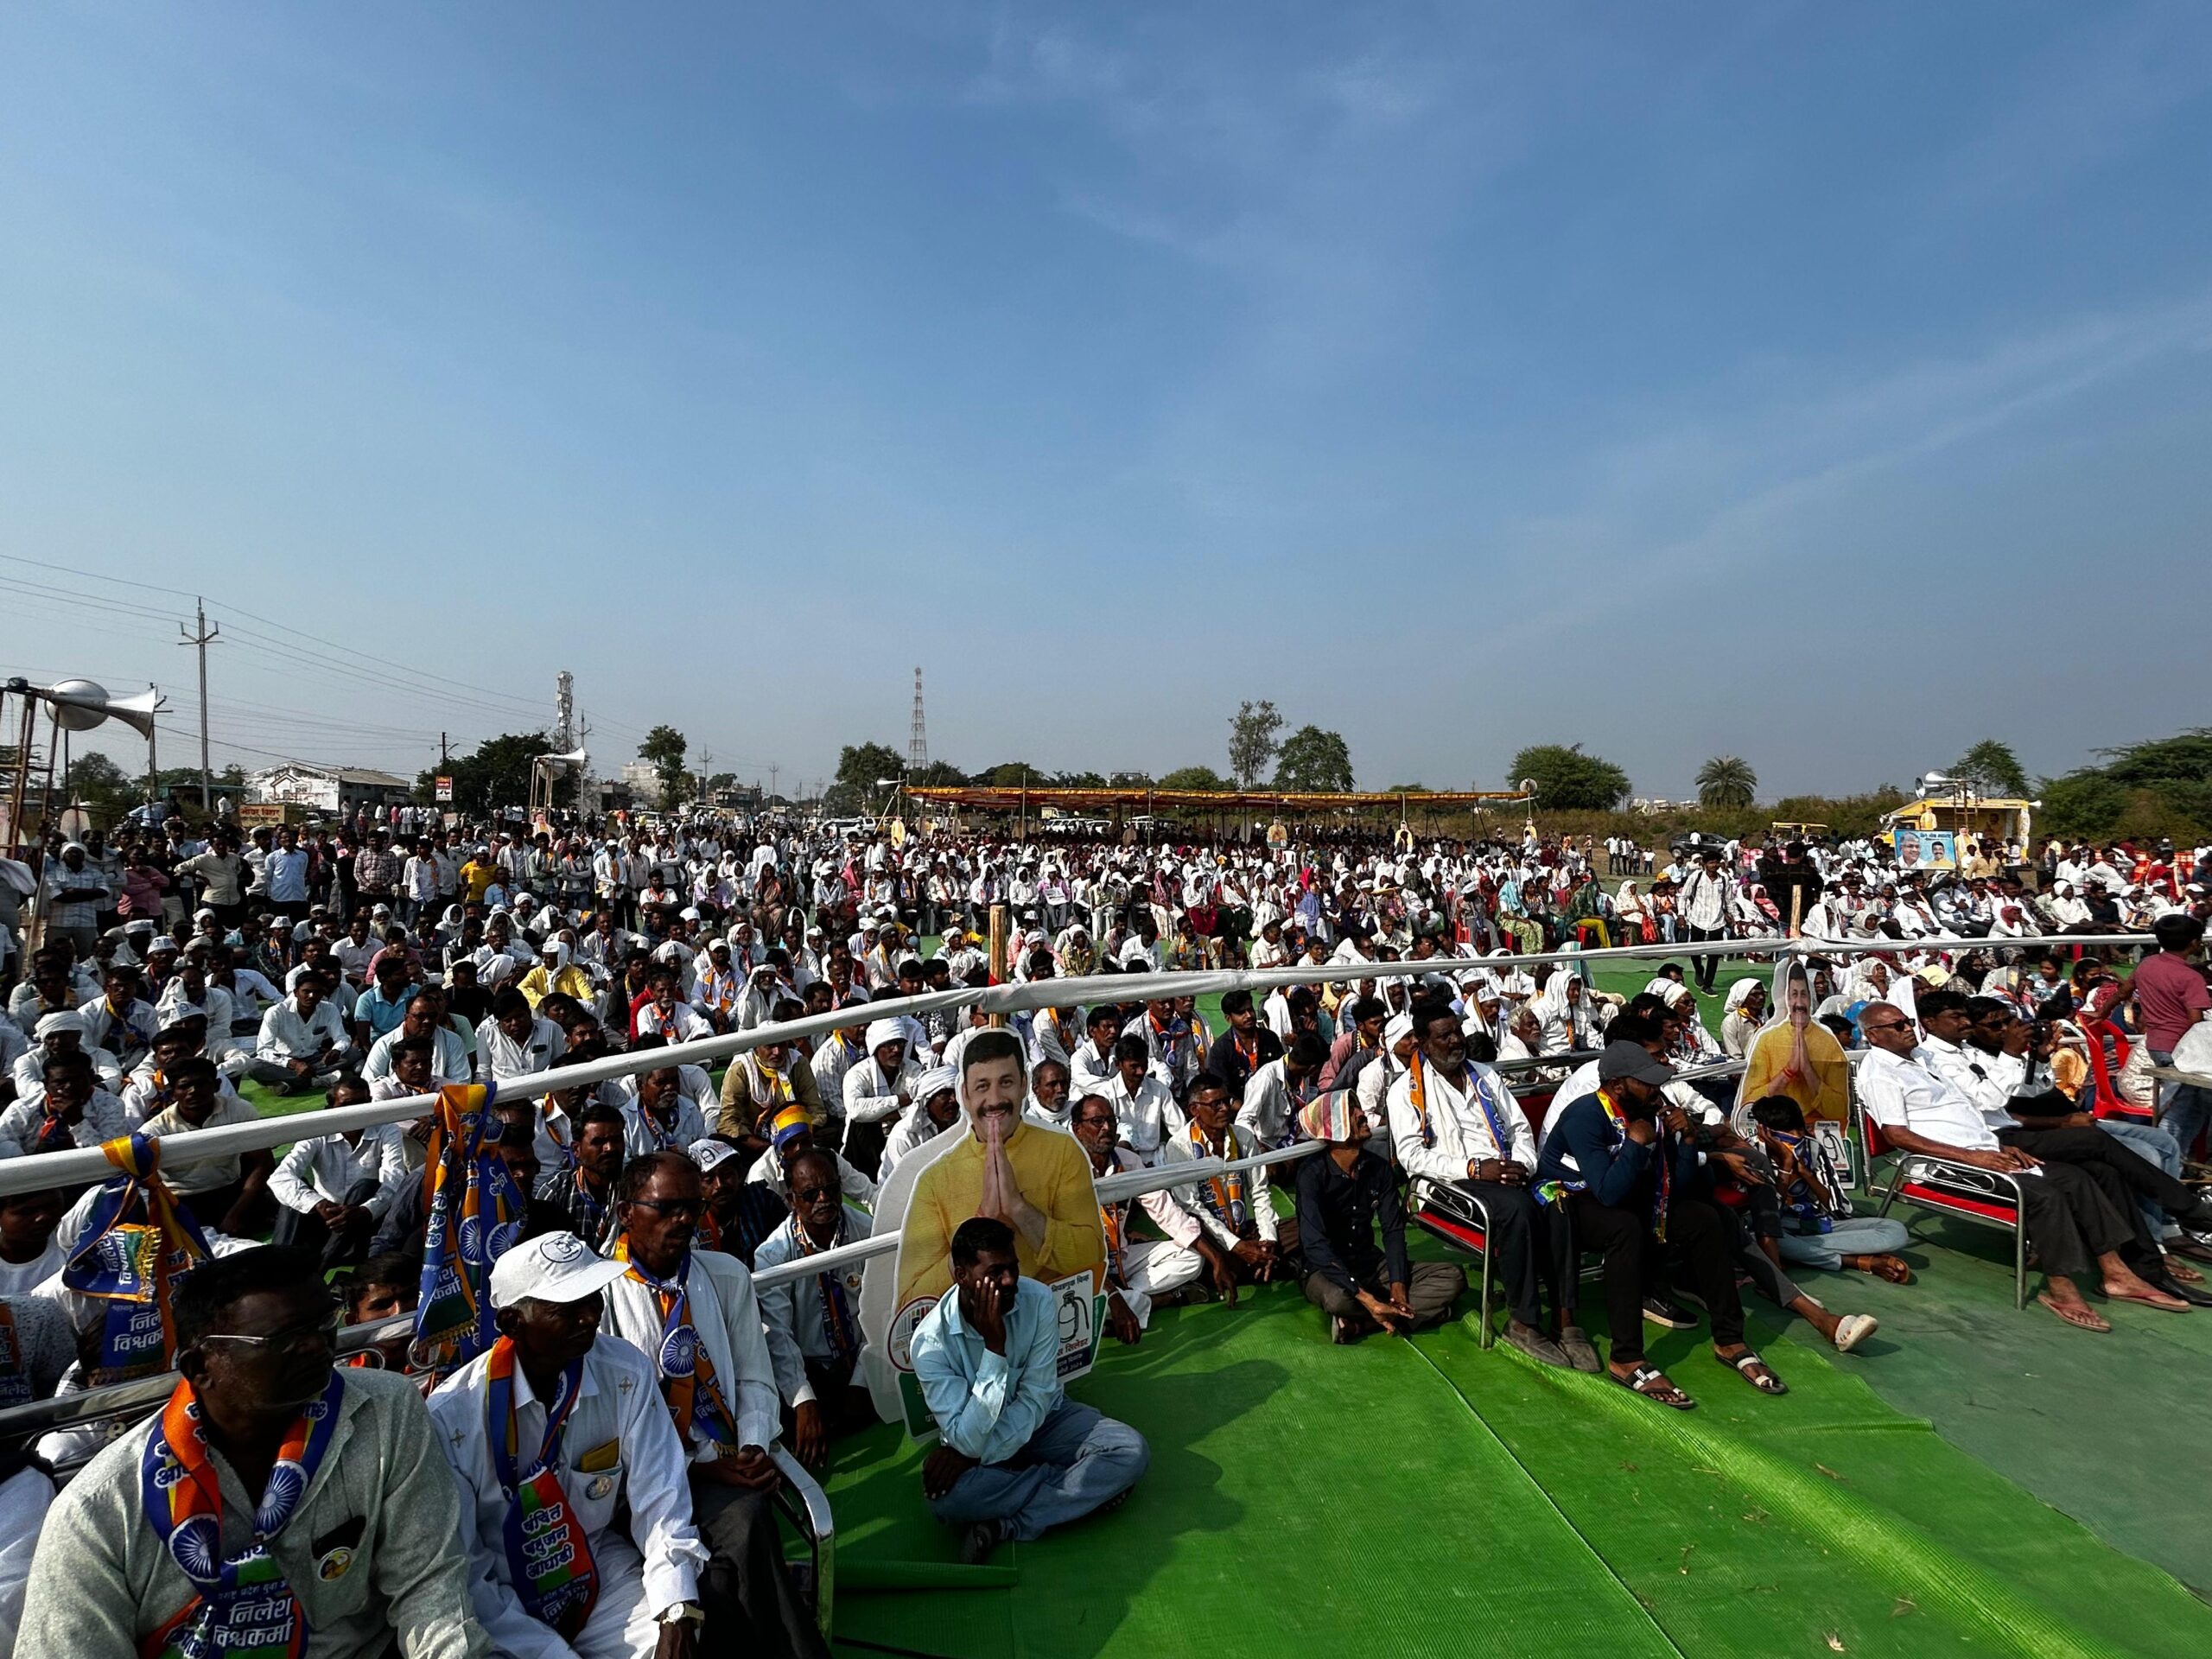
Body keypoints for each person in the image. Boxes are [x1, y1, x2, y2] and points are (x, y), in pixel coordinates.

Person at [20, 1245, 484, 1657]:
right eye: (285, 1340)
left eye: (324, 1326)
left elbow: (429, 1586)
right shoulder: (101, 1509)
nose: (319, 1348)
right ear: (201, 1367)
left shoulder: (386, 1409)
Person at [430, 1231, 708, 1659]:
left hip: (592, 1570)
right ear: (511, 1323)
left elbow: (661, 1498)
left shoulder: (625, 1371)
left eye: (593, 1297)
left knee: (667, 1643)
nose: (589, 1316)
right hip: (502, 1596)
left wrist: (677, 1606)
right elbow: (467, 1569)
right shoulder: (451, 1416)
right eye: (566, 1307)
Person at [601, 1154, 827, 1659]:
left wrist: (749, 1447)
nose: (685, 1219)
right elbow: (609, 1432)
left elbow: (753, 1377)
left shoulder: (725, 1275)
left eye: (693, 1206)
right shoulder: (598, 1298)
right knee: (740, 1539)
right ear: (625, 1213)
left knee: (734, 1551)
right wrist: (704, 1470)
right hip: (643, 1484)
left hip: (726, 1461)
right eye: (668, 1207)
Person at [1856, 1002, 2195, 1331]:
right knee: (2044, 1193)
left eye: (1907, 1022)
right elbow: (1897, 1135)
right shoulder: (1880, 1071)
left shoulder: (1919, 1060)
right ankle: (2062, 1287)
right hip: (1947, 1165)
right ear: (1873, 1035)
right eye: (1897, 1025)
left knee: (2078, 1176)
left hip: (1988, 1149)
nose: (1908, 1029)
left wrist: (2000, 1145)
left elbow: (1973, 1113)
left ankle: (2116, 1273)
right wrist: (1975, 1157)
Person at [1536, 1041, 1787, 1408]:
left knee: (1705, 1216)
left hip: (1622, 1196)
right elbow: (1607, 1192)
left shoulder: (1652, 1110)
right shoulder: (1585, 1115)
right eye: (1648, 1082)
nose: (1658, 1089)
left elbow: (1680, 1184)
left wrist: (1686, 1139)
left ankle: (1730, 1338)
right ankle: (1626, 1358)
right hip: (1572, 1200)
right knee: (1625, 1227)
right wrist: (1637, 1143)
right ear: (1619, 1085)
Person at [912, 1216, 1149, 1566]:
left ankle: (1003, 1524)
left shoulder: (1037, 1300)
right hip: (981, 1441)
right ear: (962, 1276)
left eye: (1013, 1268)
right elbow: (966, 1436)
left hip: (1043, 1423)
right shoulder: (930, 1344)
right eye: (994, 1273)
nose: (1009, 1281)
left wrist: (976, 1457)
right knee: (946, 1500)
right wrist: (995, 1349)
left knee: (1129, 1450)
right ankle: (1076, 1489)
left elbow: (1036, 1399)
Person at [1388, 1002, 1580, 1364]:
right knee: (1518, 1209)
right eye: (1444, 1036)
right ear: (1425, 1045)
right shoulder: (1405, 1092)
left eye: (1457, 1031)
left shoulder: (1485, 1076)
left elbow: (1520, 1129)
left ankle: (1565, 1318)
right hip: (1452, 1185)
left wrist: (1520, 1164)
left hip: (1504, 1172)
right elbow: (1413, 1158)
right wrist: (1475, 1168)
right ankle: (1523, 1321)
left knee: (1558, 1200)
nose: (1456, 1040)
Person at [893, 1030, 1104, 1318]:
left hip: (1051, 1321)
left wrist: (1020, 1209)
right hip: (970, 1338)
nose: (994, 1100)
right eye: (982, 1086)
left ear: (1023, 1086)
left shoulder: (1063, 1151)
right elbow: (911, 1303)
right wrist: (981, 1222)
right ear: (965, 1095)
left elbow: (1091, 1259)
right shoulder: (935, 1180)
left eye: (1005, 1083)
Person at [1295, 1092, 1464, 1343]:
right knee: (1337, 1299)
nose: (1362, 1114)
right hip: (1326, 1269)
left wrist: (1398, 1285)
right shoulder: (1311, 1174)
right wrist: (1364, 1296)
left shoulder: (1378, 1168)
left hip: (1370, 1263)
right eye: (1350, 1111)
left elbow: (1393, 1230)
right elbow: (1315, 1246)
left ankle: (1362, 1324)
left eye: (1358, 1108)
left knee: (1452, 1277)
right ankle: (1402, 1313)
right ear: (1334, 1128)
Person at [751, 1147, 878, 1466]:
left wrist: (862, 1381)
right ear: (792, 1200)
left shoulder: (870, 1232)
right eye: (810, 1193)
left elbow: (881, 1311)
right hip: (812, 1370)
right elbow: (777, 1334)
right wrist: (803, 1400)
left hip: (866, 1356)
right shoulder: (772, 1255)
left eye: (831, 1189)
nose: (824, 1199)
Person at [1066, 1091, 1205, 1339]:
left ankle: (1130, 1300)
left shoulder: (1127, 1161)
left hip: (1121, 1259)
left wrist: (1214, 1256)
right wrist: (1111, 1293)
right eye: (1097, 1122)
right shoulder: (1065, 1168)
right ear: (1077, 1128)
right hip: (1082, 1268)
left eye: (1111, 1120)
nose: (1107, 1128)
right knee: (1072, 1301)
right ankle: (1158, 1301)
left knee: (1192, 1258)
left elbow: (1164, 1209)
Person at [1746, 1095, 1913, 1282]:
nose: (1796, 1138)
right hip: (1781, 1227)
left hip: (1819, 1224)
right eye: (1787, 1134)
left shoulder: (1813, 1148)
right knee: (1761, 1237)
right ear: (1764, 1132)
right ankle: (1855, 1260)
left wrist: (1807, 1174)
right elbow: (1768, 1218)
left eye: (1799, 1131)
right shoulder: (1752, 1154)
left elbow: (1839, 1208)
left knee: (1895, 1231)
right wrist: (1785, 1167)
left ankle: (1802, 1253)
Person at [1161, 1074, 1294, 1299]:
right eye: (1216, 1104)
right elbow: (1192, 1207)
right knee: (1195, 1247)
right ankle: (1258, 1264)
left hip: (1243, 1228)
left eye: (1227, 1101)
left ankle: (1257, 1259)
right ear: (1194, 1109)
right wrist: (1236, 1246)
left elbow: (1260, 1192)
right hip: (1211, 1235)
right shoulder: (1179, 1146)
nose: (1225, 1109)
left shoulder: (1243, 1137)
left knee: (1301, 1228)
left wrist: (1268, 1239)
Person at [270, 1072, 409, 1267]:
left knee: (366, 1186)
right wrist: (318, 1203)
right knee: (292, 1197)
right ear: (331, 1107)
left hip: (365, 1219)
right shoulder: (317, 1130)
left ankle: (322, 1267)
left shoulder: (387, 1129)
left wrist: (367, 1210)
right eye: (346, 1106)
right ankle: (278, 1266)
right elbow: (280, 1176)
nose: (354, 1112)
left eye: (361, 1104)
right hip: (326, 1218)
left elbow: (393, 1179)